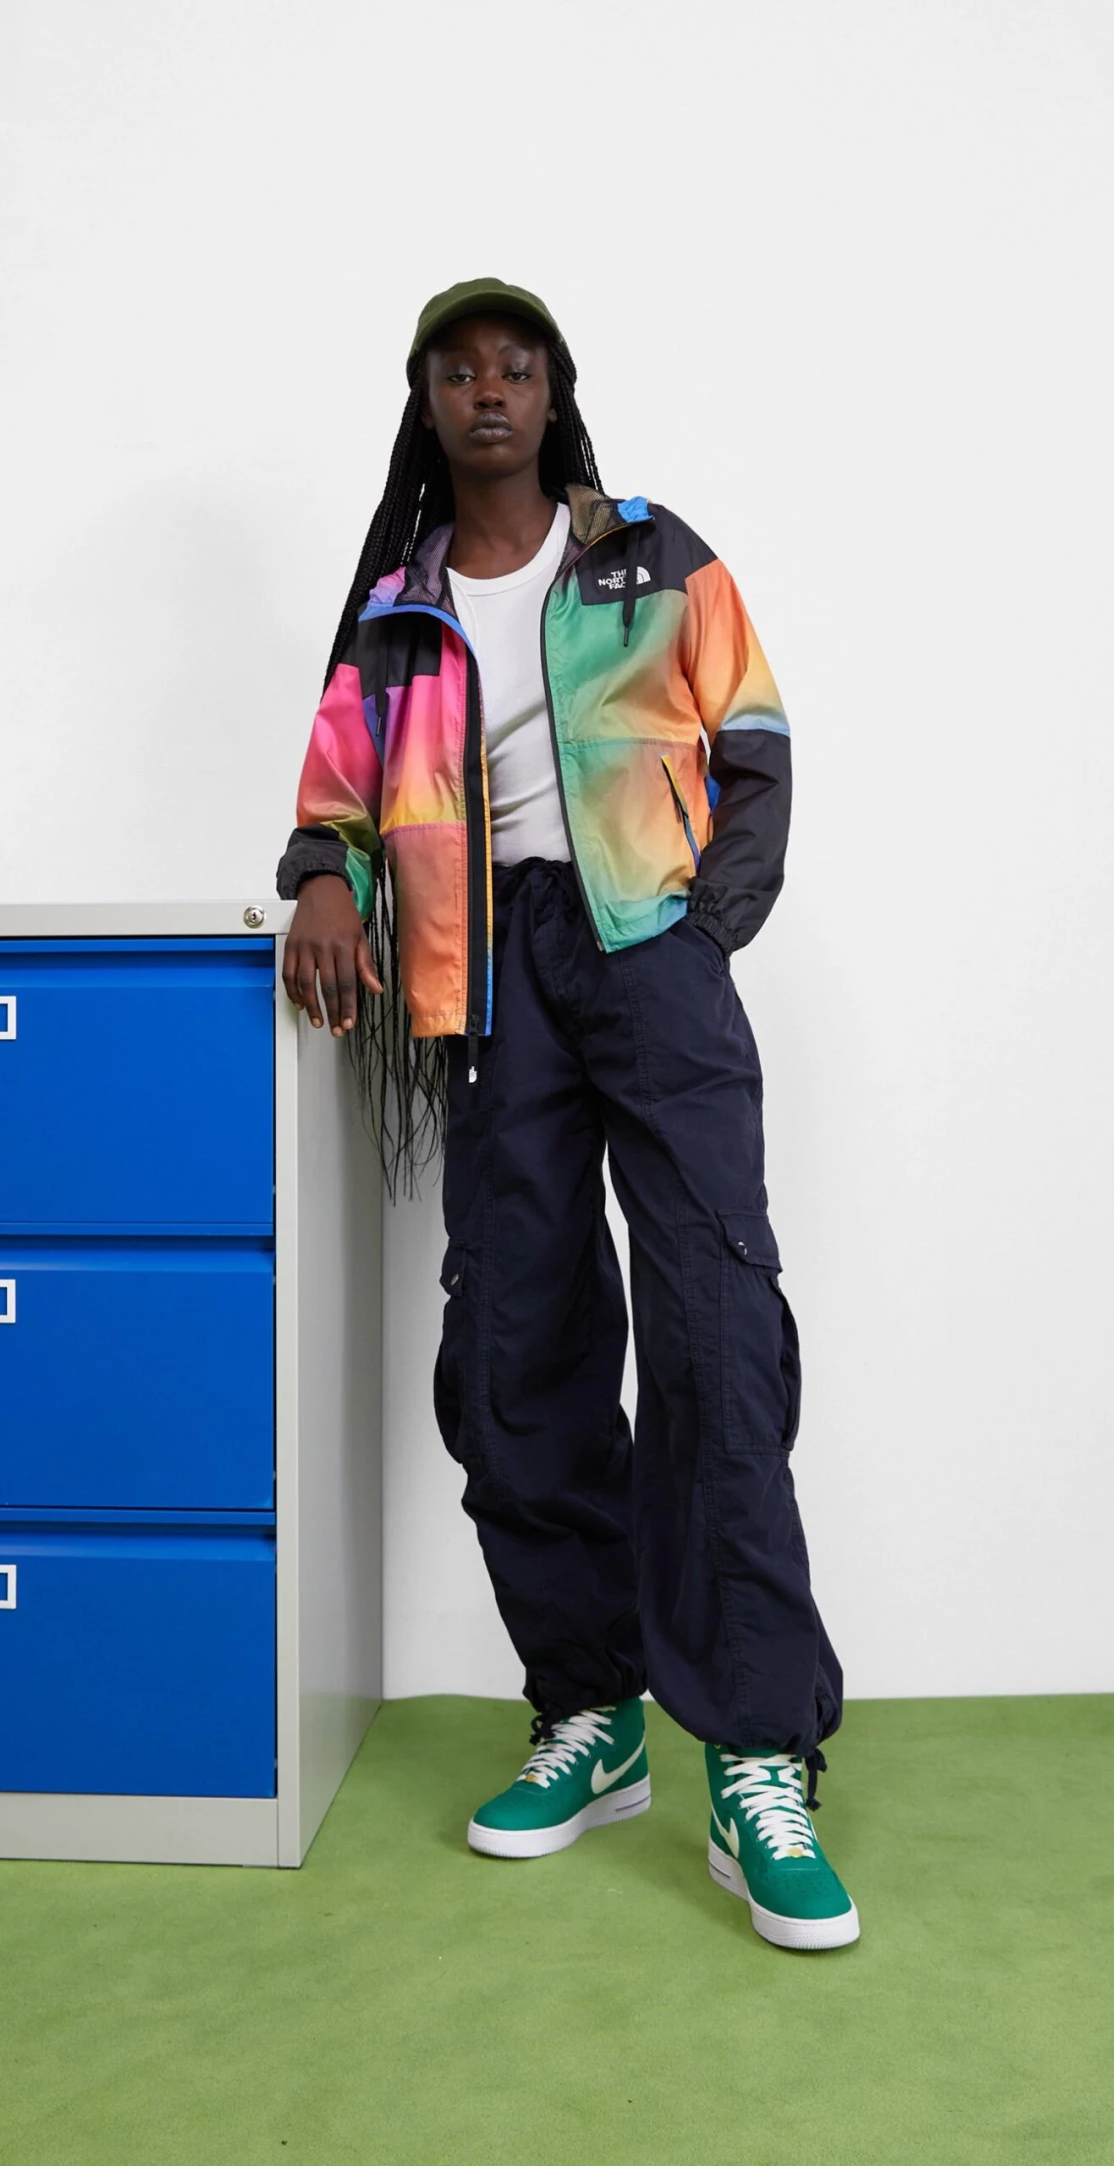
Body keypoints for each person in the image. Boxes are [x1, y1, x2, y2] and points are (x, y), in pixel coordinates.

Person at [275, 277, 858, 1952]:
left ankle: (757, 1753)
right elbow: (334, 797)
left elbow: (757, 735)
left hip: (648, 952)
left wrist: (701, 922)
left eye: (514, 368)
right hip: (488, 980)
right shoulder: (397, 609)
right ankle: (590, 1710)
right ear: (426, 403)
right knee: (514, 1344)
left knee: (713, 1328)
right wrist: (323, 879)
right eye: (458, 371)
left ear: (554, 393)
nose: (488, 392)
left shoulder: (650, 557)